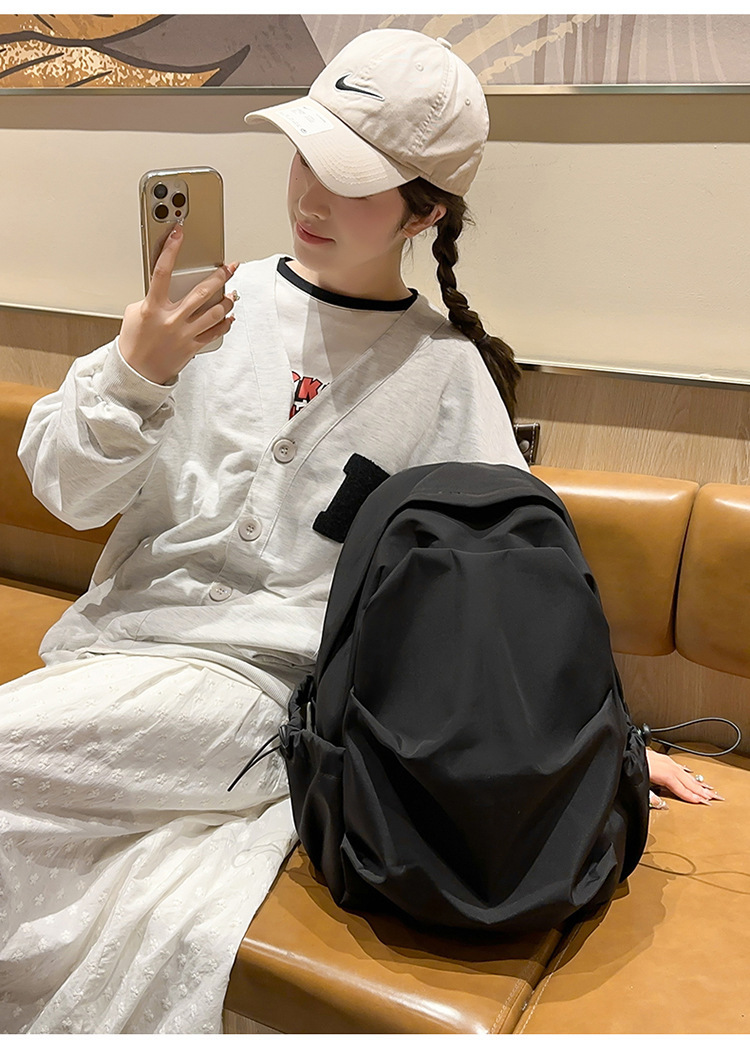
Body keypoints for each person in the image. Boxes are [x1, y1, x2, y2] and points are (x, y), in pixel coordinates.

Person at [0, 28, 720, 1035]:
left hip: (263, 695)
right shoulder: (204, 310)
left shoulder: (445, 373)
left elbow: (516, 593)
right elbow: (68, 494)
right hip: (111, 657)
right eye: (306, 156)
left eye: (352, 180)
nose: (310, 196)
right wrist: (135, 373)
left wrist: (606, 740)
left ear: (425, 211)